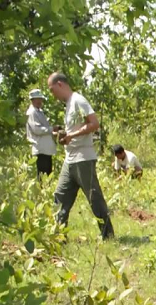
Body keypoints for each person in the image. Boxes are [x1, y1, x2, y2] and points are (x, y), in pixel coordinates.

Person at [47, 72, 114, 239]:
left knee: (94, 197)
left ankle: (108, 235)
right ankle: (59, 237)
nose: (52, 94)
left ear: (60, 84)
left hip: (83, 158)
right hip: (70, 159)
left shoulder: (78, 100)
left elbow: (94, 123)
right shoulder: (69, 104)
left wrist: (72, 136)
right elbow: (75, 129)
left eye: (52, 89)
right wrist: (63, 134)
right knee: (59, 199)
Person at [25, 89, 56, 179]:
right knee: (42, 176)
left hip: (46, 149)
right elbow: (37, 129)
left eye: (40, 99)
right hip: (40, 149)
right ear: (32, 100)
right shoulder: (32, 112)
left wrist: (53, 130)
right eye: (37, 99)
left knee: (48, 174)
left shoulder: (39, 111)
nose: (39, 101)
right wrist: (51, 129)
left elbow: (44, 128)